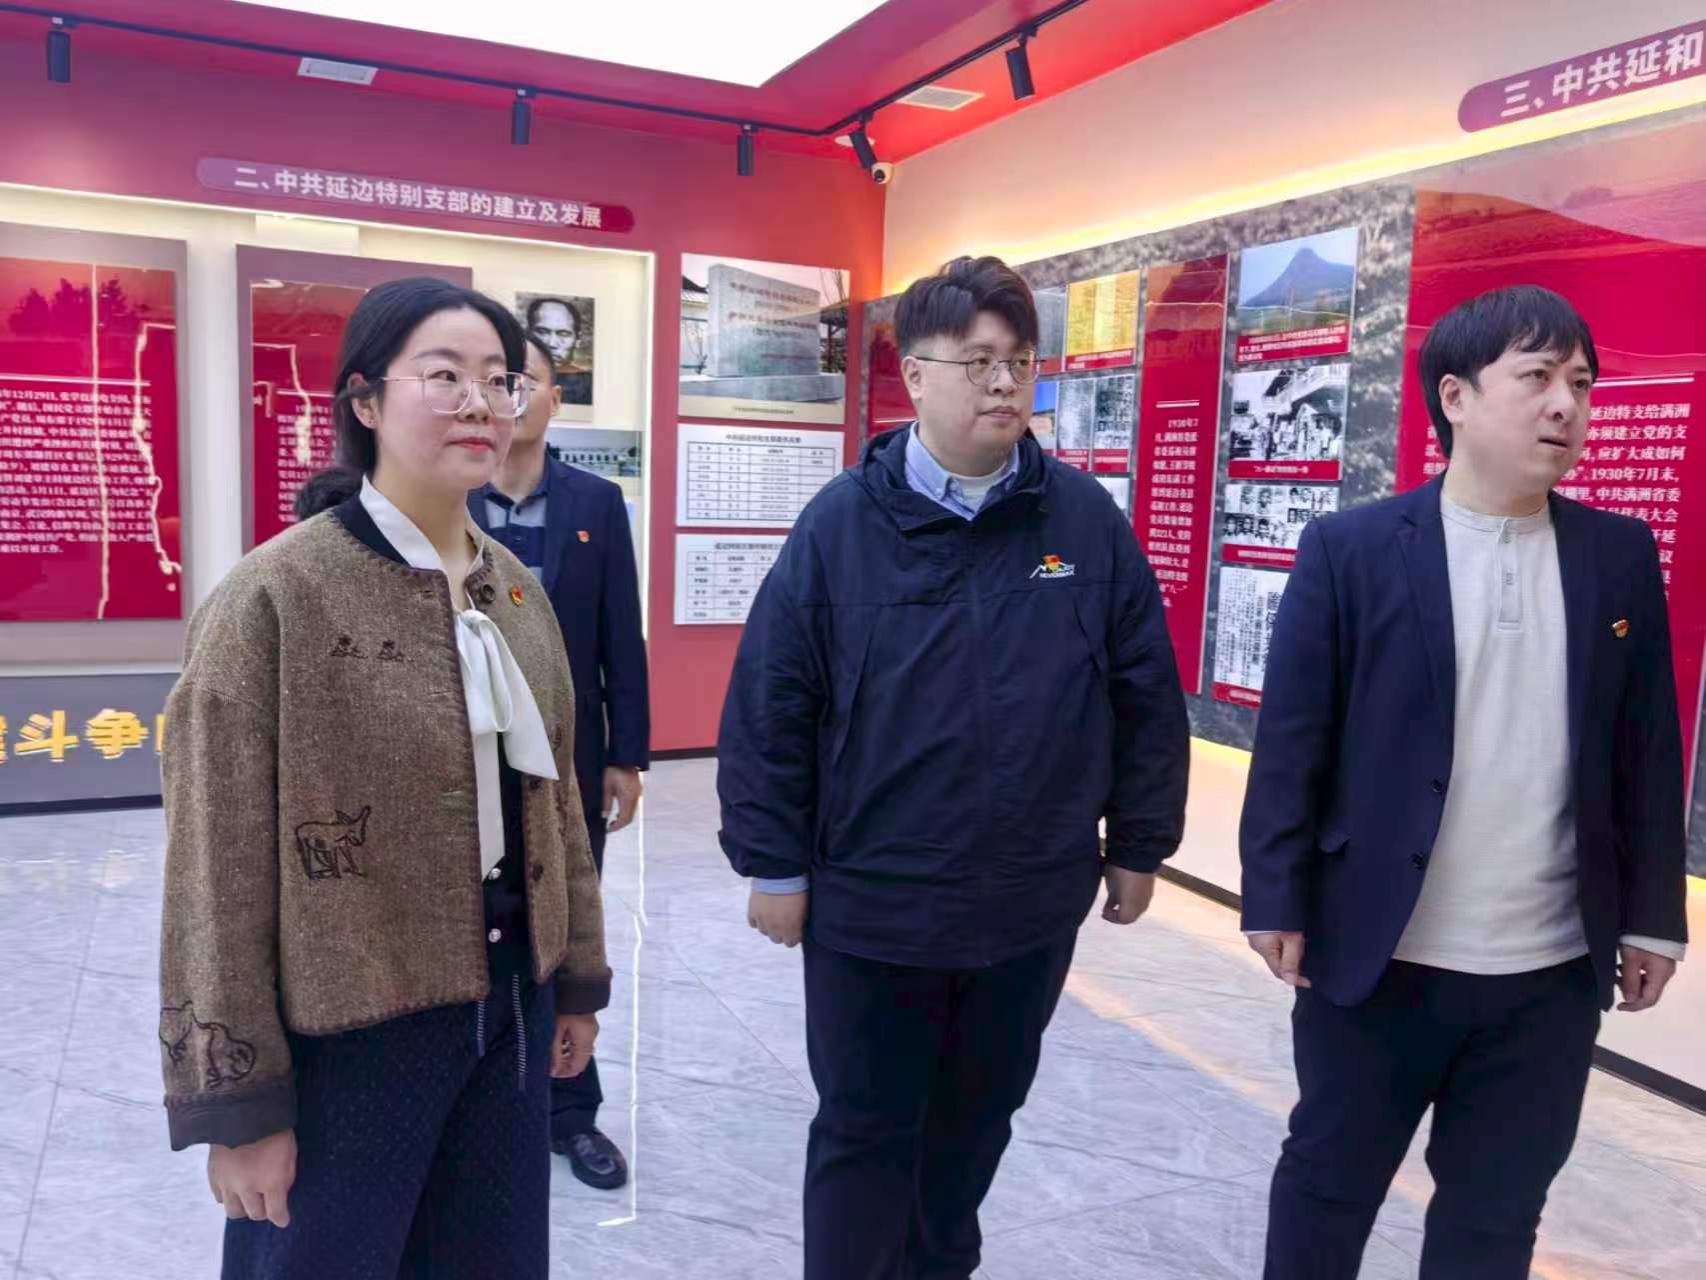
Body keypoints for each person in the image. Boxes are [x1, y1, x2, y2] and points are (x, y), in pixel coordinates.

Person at [717, 255, 1190, 1280]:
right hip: (874, 902)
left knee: (975, 1125)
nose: (1003, 383)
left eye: (1019, 360)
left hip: (1027, 903)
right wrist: (773, 862)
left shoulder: (1082, 523)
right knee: (865, 1129)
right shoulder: (841, 524)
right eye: (976, 361)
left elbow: (1144, 691)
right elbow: (772, 701)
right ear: (915, 374)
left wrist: (1139, 842)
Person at [160, 277, 611, 1276]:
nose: (479, 403)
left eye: (498, 380)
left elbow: (557, 809)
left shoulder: (514, 590)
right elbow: (212, 870)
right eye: (443, 376)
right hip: (348, 1034)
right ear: (364, 401)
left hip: (510, 1008)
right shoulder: (273, 598)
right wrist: (238, 1101)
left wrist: (575, 977)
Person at [1240, 285, 1688, 1280]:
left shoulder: (1616, 555)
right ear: (1454, 395)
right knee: (1327, 1189)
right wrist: (1273, 892)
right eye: (1537, 377)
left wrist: (1654, 917)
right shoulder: (1352, 549)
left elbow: (1646, 749)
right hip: (1377, 956)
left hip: (1548, 976)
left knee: (1494, 1221)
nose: (1565, 404)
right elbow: (1293, 740)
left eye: (1581, 382)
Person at [469, 332, 650, 1190]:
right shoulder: (449, 498)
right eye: (495, 381)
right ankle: (479, 1111)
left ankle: (570, 1113)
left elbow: (621, 634)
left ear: (554, 399)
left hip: (568, 764)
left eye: (524, 381)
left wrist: (627, 754)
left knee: (567, 931)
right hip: (466, 762)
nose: (508, 396)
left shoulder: (596, 503)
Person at [525, 296, 592, 406]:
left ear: (577, 340)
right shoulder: (513, 379)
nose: (551, 343)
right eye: (542, 332)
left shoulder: (590, 385)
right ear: (528, 334)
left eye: (563, 334)